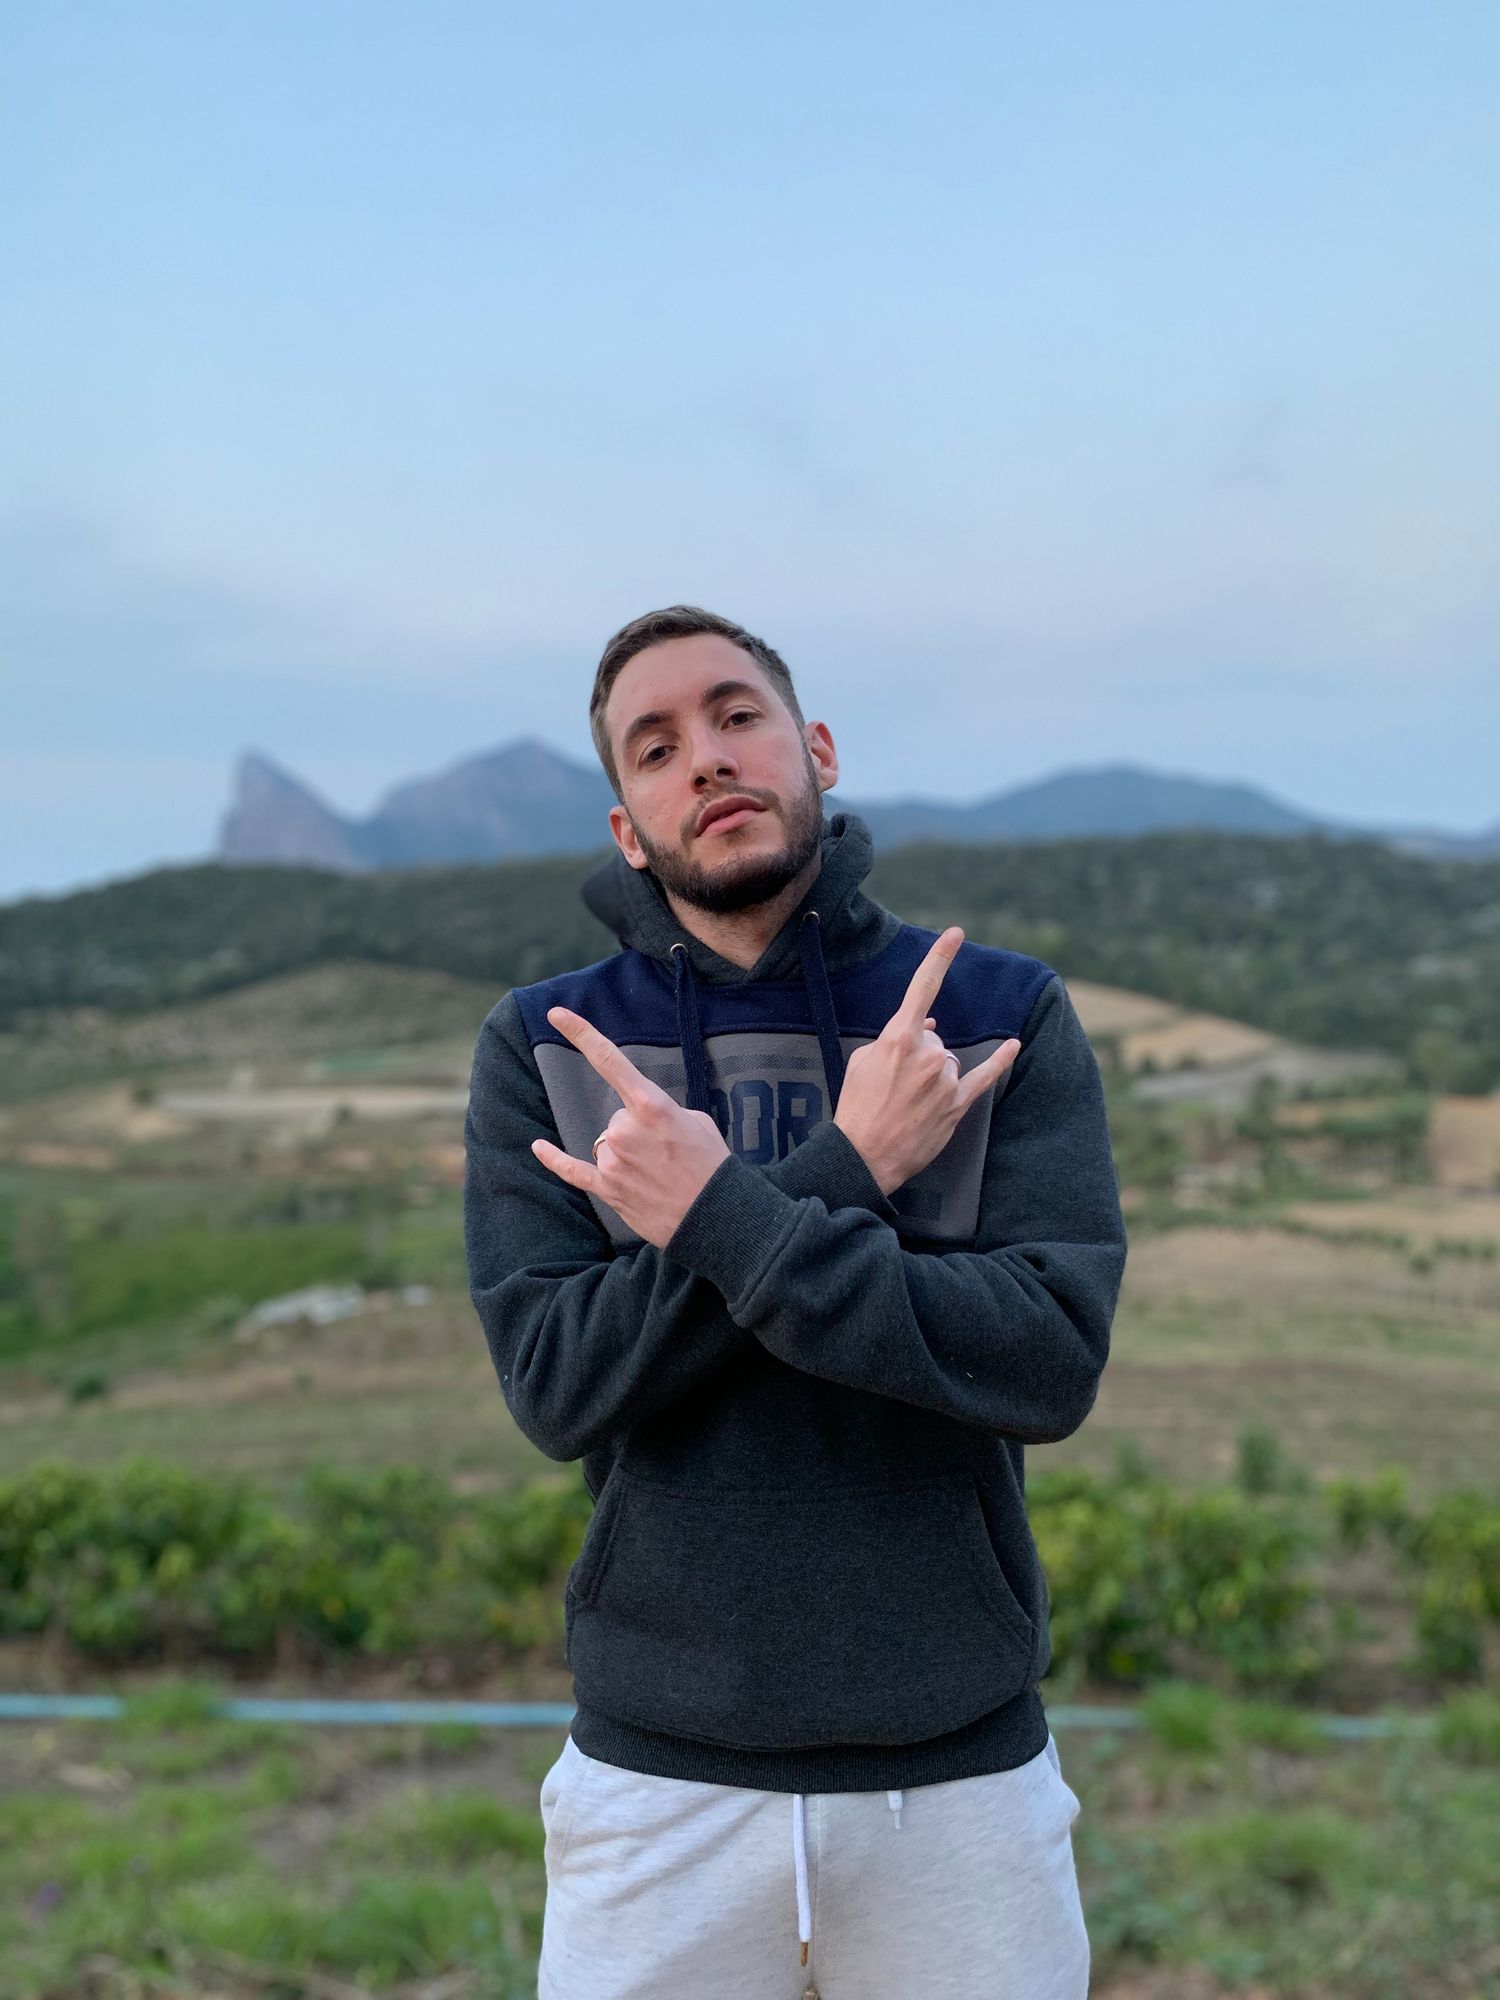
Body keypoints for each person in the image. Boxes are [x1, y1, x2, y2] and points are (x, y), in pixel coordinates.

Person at [463, 604, 1128, 1999]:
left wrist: (716, 1217)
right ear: (628, 828)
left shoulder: (993, 1019)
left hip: (958, 1779)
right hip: (658, 1782)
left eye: (736, 715)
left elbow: (1047, 1358)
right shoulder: (552, 1047)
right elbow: (560, 1385)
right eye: (656, 747)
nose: (706, 758)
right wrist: (847, 1170)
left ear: (814, 749)